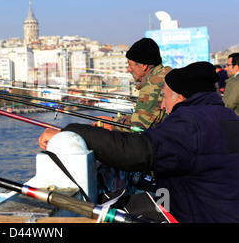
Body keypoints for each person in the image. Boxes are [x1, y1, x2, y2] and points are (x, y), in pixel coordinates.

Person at [39, 62, 239, 223]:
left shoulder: (190, 123)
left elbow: (136, 152)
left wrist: (71, 132)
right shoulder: (228, 117)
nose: (161, 105)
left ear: (182, 97)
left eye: (164, 97)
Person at [97, 38, 172, 132]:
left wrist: (111, 125)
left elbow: (138, 127)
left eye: (130, 65)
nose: (128, 69)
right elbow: (144, 117)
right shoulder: (166, 73)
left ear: (144, 65)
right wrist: (112, 120)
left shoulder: (152, 85)